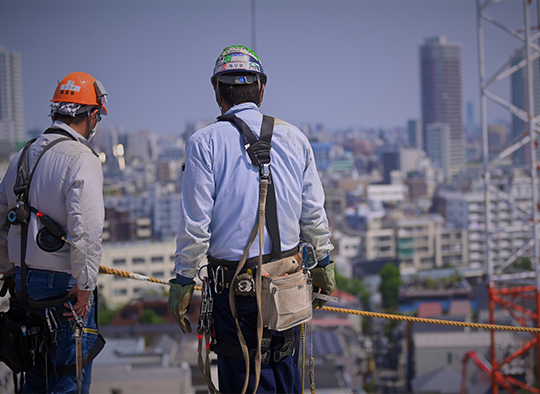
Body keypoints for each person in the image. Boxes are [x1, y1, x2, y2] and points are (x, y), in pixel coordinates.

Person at [168, 45, 335, 393]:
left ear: (217, 91)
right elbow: (314, 214)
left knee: (243, 380)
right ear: (261, 89)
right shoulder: (295, 138)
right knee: (286, 375)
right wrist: (322, 263)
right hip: (288, 284)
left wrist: (184, 279)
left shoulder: (204, 144)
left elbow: (194, 225)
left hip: (236, 291)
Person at [0, 71, 107, 393]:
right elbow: (86, 230)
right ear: (92, 115)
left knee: (34, 375)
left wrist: (9, 270)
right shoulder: (81, 158)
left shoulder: (22, 156)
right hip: (64, 287)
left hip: (23, 282)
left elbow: (2, 219)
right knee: (67, 377)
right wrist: (86, 286)